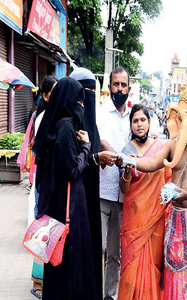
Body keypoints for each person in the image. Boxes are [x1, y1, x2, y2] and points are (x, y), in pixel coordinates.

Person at [121, 71, 187, 299]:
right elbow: (152, 163)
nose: (185, 125)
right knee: (172, 276)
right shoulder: (172, 145)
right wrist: (125, 159)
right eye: (181, 119)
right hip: (173, 220)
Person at [32, 77, 99, 299]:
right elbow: (72, 170)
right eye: (79, 102)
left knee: (58, 258)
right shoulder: (66, 127)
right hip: (69, 208)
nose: (81, 107)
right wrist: (86, 147)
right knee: (69, 257)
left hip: (58, 203)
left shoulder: (56, 124)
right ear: (69, 100)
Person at [70, 67, 119, 299]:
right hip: (77, 200)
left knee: (102, 253)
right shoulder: (68, 123)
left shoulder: (90, 123)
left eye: (92, 90)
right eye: (84, 91)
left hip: (94, 192)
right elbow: (69, 165)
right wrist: (96, 157)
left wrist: (97, 158)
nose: (88, 96)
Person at [118, 104, 172, 300]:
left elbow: (168, 181)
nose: (139, 125)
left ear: (149, 122)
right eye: (135, 121)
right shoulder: (126, 150)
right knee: (131, 265)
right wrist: (126, 168)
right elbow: (124, 189)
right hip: (134, 221)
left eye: (143, 120)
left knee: (154, 266)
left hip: (156, 220)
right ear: (131, 125)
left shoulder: (160, 149)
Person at [19, 75, 58, 299]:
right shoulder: (42, 118)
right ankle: (38, 281)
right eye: (53, 92)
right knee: (41, 231)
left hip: (47, 183)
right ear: (44, 95)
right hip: (42, 184)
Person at [96, 66, 132, 300]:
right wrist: (122, 158)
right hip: (100, 192)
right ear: (109, 87)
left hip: (125, 196)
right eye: (116, 84)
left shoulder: (134, 117)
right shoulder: (100, 113)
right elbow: (100, 141)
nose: (120, 89)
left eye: (123, 85)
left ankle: (110, 296)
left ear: (129, 88)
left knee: (116, 254)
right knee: (97, 249)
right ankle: (93, 292)